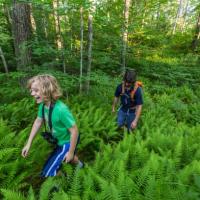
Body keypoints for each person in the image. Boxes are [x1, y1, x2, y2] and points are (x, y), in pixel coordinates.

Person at [21, 74, 83, 177]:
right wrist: (28, 143)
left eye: (36, 90)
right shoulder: (43, 105)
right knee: (64, 157)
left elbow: (74, 131)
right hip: (59, 140)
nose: (32, 93)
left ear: (47, 90)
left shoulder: (61, 110)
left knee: (48, 173)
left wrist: (71, 152)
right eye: (31, 90)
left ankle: (61, 184)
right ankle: (80, 166)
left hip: (67, 141)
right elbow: (38, 122)